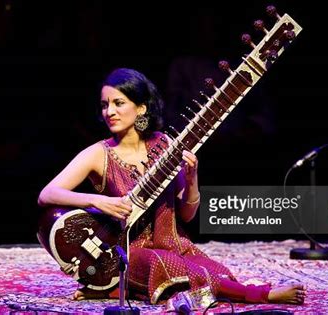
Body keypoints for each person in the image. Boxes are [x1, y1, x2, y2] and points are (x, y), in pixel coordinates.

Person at [38, 68, 306, 308]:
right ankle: (261, 295)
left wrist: (192, 179)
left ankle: (121, 291)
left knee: (215, 273)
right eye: (105, 105)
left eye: (119, 103)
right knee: (164, 266)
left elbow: (186, 216)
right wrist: (97, 201)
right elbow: (47, 195)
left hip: (173, 244)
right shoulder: (99, 153)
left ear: (141, 108)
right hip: (128, 253)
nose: (109, 111)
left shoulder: (166, 146)